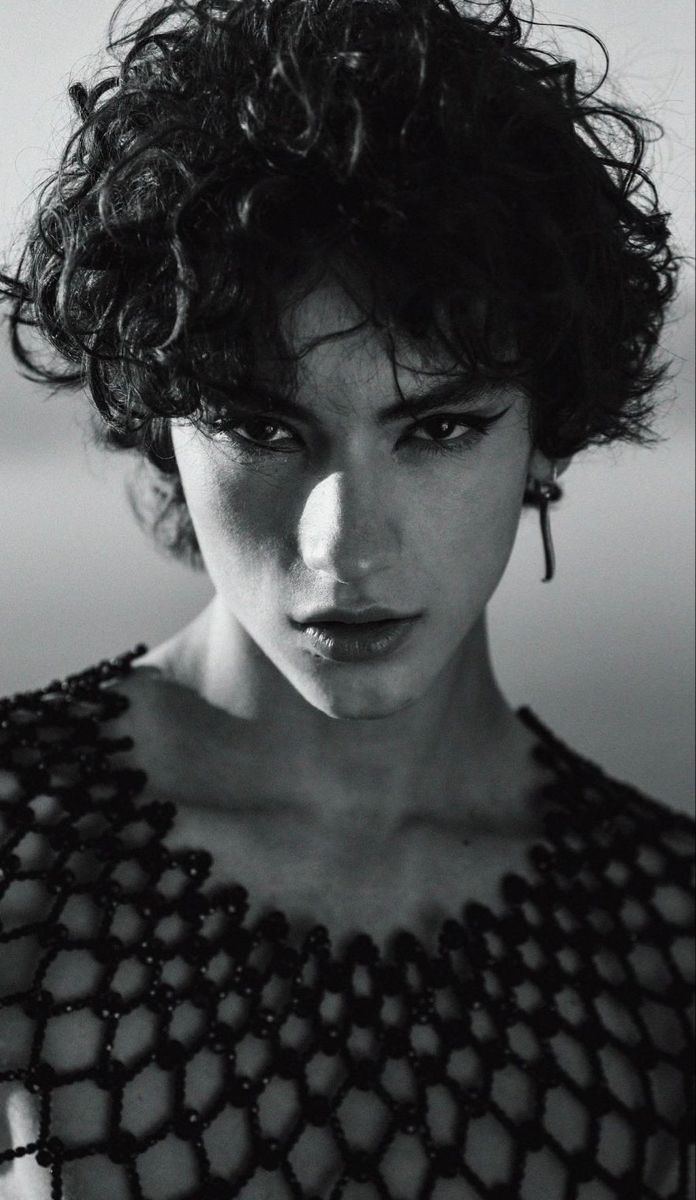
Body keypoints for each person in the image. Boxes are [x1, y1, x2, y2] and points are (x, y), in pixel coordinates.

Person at [0, 0, 693, 1196]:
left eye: (438, 428)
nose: (347, 543)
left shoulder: (669, 946)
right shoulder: (17, 857)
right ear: (161, 429)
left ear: (550, 434)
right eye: (263, 425)